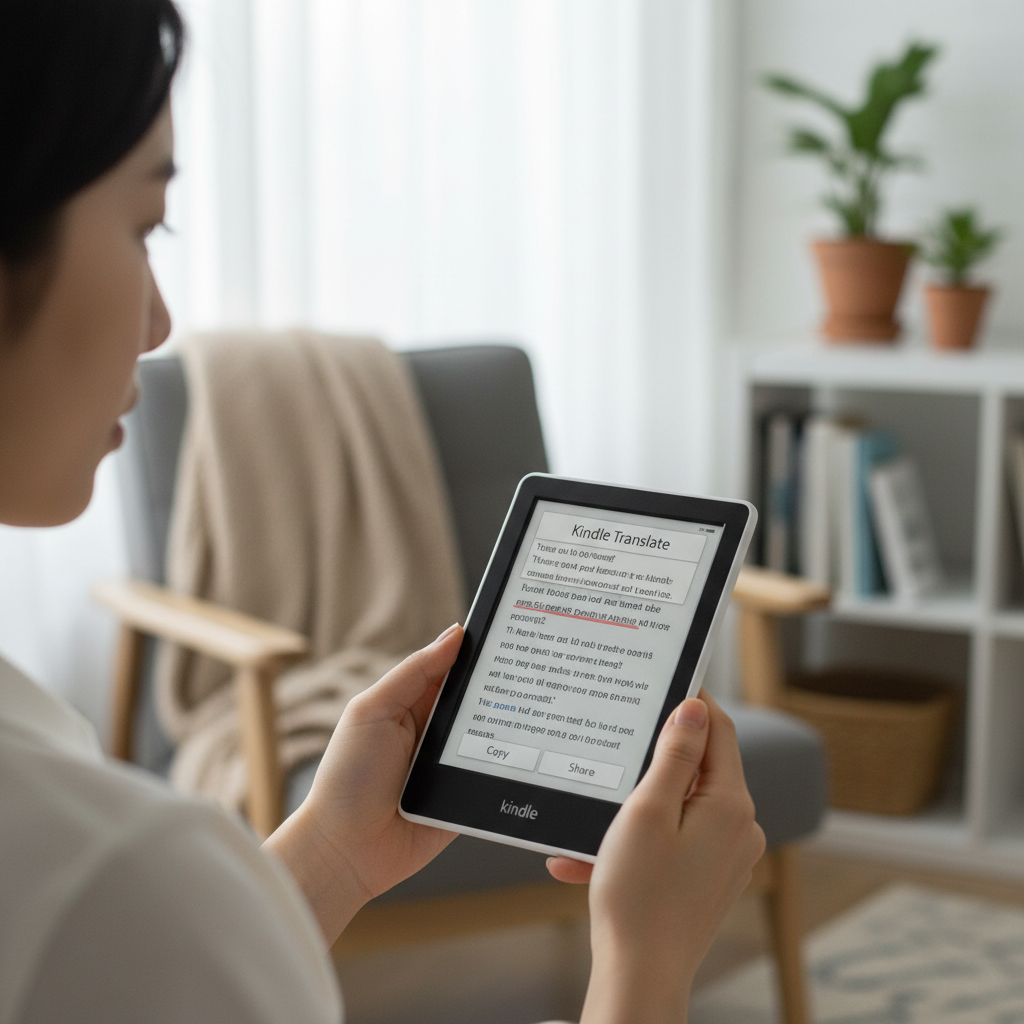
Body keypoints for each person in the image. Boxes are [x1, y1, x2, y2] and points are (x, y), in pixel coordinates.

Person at [0, 2, 766, 1022]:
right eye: (144, 226)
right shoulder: (109, 873)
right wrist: (645, 963)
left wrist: (330, 852)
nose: (159, 321)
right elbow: (140, 933)